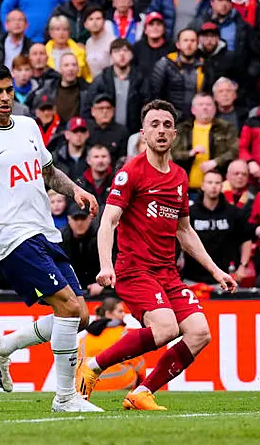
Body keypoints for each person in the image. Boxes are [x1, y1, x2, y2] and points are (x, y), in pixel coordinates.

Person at [0, 63, 101, 412]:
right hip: (11, 238)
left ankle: (2, 346)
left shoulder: (28, 126)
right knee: (69, 308)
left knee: (79, 315)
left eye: (9, 90)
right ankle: (65, 398)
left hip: (45, 232)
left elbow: (50, 173)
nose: (6, 97)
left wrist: (76, 192)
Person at [78, 99, 237, 411]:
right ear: (143, 133)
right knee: (166, 328)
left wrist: (217, 271)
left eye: (167, 125)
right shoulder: (131, 172)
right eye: (154, 125)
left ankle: (142, 392)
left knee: (199, 333)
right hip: (135, 269)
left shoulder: (179, 177)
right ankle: (92, 367)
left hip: (167, 274)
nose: (161, 130)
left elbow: (185, 231)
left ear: (175, 133)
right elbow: (108, 220)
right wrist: (106, 265)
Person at [186, 170, 253, 284]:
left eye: (217, 183)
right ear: (202, 186)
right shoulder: (190, 212)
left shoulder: (233, 212)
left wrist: (243, 265)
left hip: (225, 278)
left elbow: (246, 239)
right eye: (210, 182)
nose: (214, 186)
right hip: (192, 278)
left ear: (222, 186)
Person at [77, 297, 146, 392]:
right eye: (120, 311)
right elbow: (140, 366)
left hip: (92, 387)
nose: (124, 314)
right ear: (108, 314)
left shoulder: (84, 338)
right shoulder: (123, 334)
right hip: (123, 384)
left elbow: (79, 366)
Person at [172, 93, 238, 191]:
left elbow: (234, 151)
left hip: (218, 188)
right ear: (193, 110)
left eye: (208, 104)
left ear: (215, 109)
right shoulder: (182, 129)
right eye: (201, 104)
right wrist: (190, 153)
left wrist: (216, 162)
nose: (205, 107)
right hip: (185, 188)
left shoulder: (226, 128)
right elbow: (172, 154)